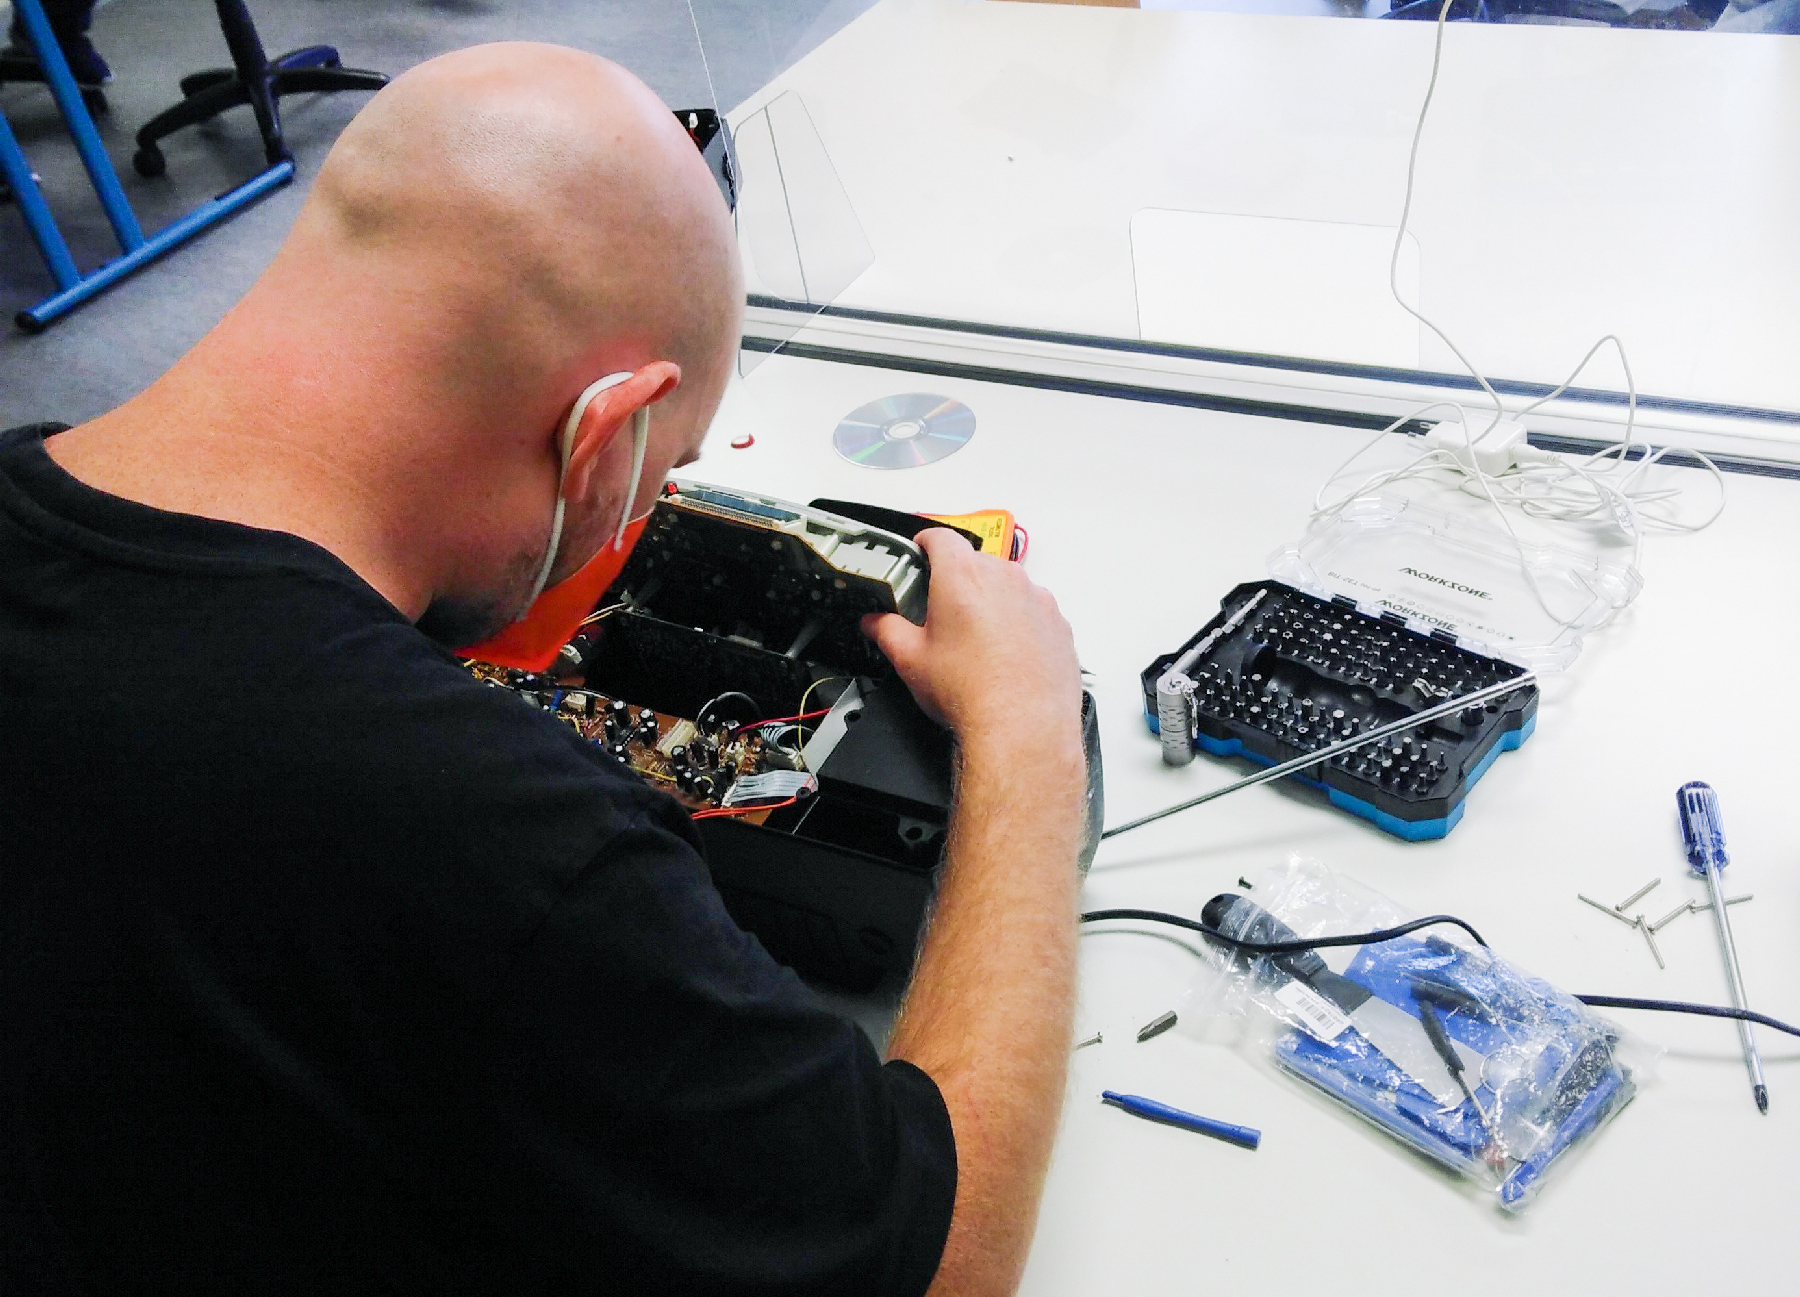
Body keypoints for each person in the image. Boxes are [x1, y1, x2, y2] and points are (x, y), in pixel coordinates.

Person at [0, 42, 1089, 1296]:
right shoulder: (476, 834)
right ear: (605, 434)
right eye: (662, 470)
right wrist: (1026, 737)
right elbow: (939, 1262)